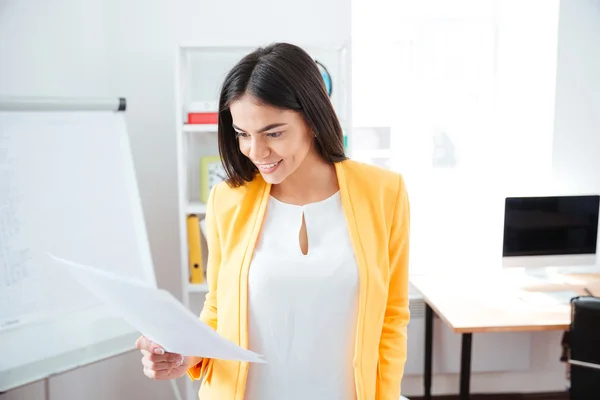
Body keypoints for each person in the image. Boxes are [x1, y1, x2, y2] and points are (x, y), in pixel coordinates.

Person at [135, 42, 410, 400]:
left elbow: (392, 316)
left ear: (313, 118)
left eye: (273, 133)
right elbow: (219, 308)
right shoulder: (227, 200)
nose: (256, 152)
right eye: (242, 134)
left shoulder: (384, 192)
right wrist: (186, 355)